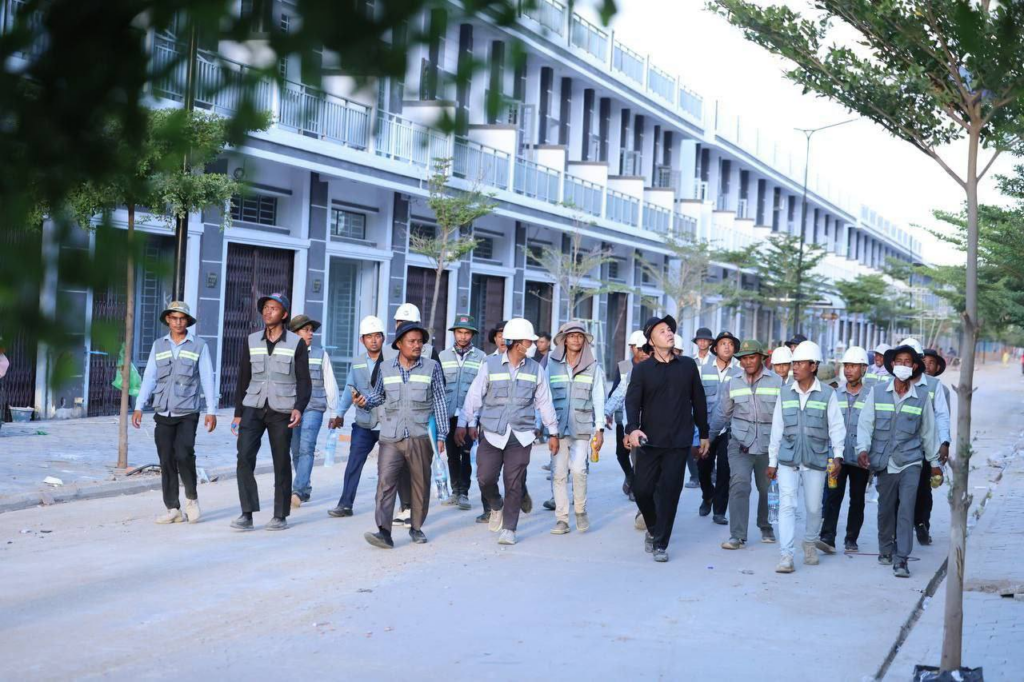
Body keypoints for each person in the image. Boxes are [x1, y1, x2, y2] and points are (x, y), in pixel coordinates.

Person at [456, 318, 558, 546]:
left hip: (521, 435)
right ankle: (496, 505)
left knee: (514, 482)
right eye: (528, 341)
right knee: (485, 478)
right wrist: (464, 422)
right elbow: (474, 396)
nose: (532, 345)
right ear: (516, 343)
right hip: (492, 432)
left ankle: (509, 528)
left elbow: (545, 402)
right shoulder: (490, 365)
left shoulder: (536, 369)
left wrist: (553, 432)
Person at [355, 321, 448, 549]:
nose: (417, 346)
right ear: (399, 344)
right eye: (411, 341)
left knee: (420, 484)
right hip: (391, 435)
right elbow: (378, 395)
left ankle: (416, 527)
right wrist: (365, 401)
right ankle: (384, 532)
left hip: (420, 434)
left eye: (420, 342)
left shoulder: (432, 367)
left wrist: (442, 435)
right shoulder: (385, 368)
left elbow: (439, 400)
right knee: (385, 483)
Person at [626, 315, 710, 563]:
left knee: (670, 493)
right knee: (642, 490)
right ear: (651, 341)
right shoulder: (642, 370)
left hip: (678, 442)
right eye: (662, 331)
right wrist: (632, 429)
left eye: (670, 330)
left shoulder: (687, 366)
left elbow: (699, 400)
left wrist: (704, 433)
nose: (669, 333)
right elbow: (632, 403)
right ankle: (654, 528)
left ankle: (661, 542)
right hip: (649, 441)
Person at [856, 342, 941, 578]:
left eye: (908, 362)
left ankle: (902, 558)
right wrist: (862, 449)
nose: (903, 365)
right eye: (899, 361)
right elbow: (865, 423)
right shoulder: (877, 392)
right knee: (885, 509)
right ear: (892, 364)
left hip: (911, 461)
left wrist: (935, 464)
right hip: (884, 460)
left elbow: (929, 432)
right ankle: (885, 549)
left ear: (914, 367)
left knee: (906, 508)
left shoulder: (921, 397)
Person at [231, 293, 311, 531]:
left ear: (284, 314)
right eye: (266, 307)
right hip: (253, 406)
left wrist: (299, 408)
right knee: (244, 457)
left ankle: (280, 514)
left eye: (274, 308)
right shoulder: (251, 340)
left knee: (281, 461)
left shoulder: (296, 343)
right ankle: (247, 513)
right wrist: (238, 413)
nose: (268, 311)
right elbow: (243, 377)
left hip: (282, 408)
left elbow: (304, 381)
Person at [132, 301, 218, 524]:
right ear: (168, 321)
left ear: (187, 321)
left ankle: (191, 498)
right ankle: (173, 508)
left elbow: (207, 378)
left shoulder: (199, 346)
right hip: (163, 411)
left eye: (182, 319)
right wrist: (139, 406)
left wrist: (211, 410)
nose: (178, 322)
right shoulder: (159, 345)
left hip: (188, 410)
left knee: (184, 453)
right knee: (166, 459)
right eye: (174, 318)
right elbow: (150, 377)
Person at [767, 341, 846, 574]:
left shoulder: (827, 394)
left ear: (813, 366)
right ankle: (786, 555)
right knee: (787, 506)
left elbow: (836, 427)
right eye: (794, 363)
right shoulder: (785, 393)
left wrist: (838, 456)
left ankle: (809, 542)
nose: (795, 367)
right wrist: (772, 461)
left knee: (813, 507)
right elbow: (777, 429)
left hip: (816, 458)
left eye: (800, 363)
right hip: (788, 458)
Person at [709, 340, 782, 549]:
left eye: (752, 357)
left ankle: (766, 525)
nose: (747, 362)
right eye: (744, 358)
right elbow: (723, 413)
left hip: (768, 446)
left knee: (767, 489)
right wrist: (709, 438)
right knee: (739, 484)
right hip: (740, 444)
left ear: (762, 358)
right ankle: (737, 535)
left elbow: (785, 415)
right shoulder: (733, 383)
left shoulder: (777, 382)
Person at [388, 302, 443, 528]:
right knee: (399, 467)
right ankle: (406, 506)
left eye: (409, 323)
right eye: (400, 322)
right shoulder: (388, 352)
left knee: (418, 469)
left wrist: (440, 431)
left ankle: (416, 515)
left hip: (422, 422)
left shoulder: (429, 354)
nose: (403, 326)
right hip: (395, 420)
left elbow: (438, 391)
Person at [547, 321, 604, 534]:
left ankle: (580, 510)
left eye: (579, 336)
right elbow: (544, 396)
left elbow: (598, 397)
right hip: (558, 427)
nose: (576, 340)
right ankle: (562, 519)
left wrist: (599, 429)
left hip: (581, 427)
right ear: (564, 340)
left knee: (579, 469)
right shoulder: (551, 364)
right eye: (571, 336)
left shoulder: (593, 367)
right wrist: (545, 427)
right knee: (558, 473)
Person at [329, 315, 386, 518]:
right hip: (364, 421)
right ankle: (345, 504)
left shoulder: (392, 361)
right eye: (368, 336)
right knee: (353, 463)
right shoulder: (358, 362)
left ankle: (388, 507)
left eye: (377, 336)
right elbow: (349, 388)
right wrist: (339, 413)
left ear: (383, 338)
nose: (373, 340)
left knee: (387, 468)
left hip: (387, 423)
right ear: (362, 340)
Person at [819, 346, 871, 552]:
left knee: (857, 499)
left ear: (864, 369)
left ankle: (851, 538)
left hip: (860, 458)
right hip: (836, 457)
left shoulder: (871, 396)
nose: (849, 370)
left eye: (854, 366)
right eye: (847, 366)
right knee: (832, 496)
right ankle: (827, 537)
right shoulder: (834, 394)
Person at [287, 314, 339, 509]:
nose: (310, 334)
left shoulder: (320, 355)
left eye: (311, 331)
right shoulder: (286, 354)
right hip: (292, 408)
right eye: (306, 330)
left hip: (314, 407)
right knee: (295, 449)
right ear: (294, 333)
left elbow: (330, 383)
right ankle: (305, 487)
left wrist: (334, 412)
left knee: (306, 447)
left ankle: (298, 491)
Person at [438, 314, 487, 511]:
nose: (463, 336)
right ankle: (455, 491)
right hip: (449, 414)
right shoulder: (443, 356)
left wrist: (474, 419)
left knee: (466, 453)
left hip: (469, 415)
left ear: (472, 335)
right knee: (451, 454)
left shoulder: (481, 357)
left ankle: (464, 492)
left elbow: (482, 389)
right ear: (454, 333)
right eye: (459, 332)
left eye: (467, 333)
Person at [698, 330, 743, 525]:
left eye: (730, 344)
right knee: (703, 467)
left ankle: (719, 510)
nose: (727, 347)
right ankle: (707, 494)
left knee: (725, 469)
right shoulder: (703, 369)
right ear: (715, 348)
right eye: (723, 343)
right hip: (707, 428)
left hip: (729, 429)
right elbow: (696, 399)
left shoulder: (740, 372)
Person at [914, 345, 952, 545]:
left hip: (929, 447)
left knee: (924, 490)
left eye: (931, 363)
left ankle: (922, 525)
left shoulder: (941, 390)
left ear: (937, 368)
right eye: (924, 362)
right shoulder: (906, 383)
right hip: (908, 446)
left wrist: (944, 444)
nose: (927, 366)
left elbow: (943, 418)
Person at [605, 330, 648, 500]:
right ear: (632, 348)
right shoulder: (624, 366)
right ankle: (630, 475)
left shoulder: (652, 366)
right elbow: (617, 391)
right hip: (623, 419)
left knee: (639, 456)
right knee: (621, 453)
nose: (643, 352)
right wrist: (607, 413)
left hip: (642, 420)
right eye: (639, 349)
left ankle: (636, 487)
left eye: (646, 349)